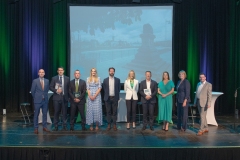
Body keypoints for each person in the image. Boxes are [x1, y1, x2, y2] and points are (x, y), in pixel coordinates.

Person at [50, 67, 70, 131]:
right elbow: (50, 87)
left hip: (65, 98)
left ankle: (64, 125)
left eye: (61, 70)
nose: (60, 71)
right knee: (56, 112)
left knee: (64, 113)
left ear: (63, 71)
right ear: (57, 71)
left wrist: (69, 97)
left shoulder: (67, 78)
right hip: (56, 97)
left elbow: (69, 88)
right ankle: (56, 126)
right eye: (59, 70)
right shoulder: (54, 78)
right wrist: (56, 90)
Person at [30, 69, 50, 134]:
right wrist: (36, 97)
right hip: (37, 101)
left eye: (42, 72)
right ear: (38, 73)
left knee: (45, 114)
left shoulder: (47, 81)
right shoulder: (35, 81)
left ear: (44, 73)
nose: (41, 73)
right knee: (36, 115)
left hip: (45, 100)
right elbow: (32, 91)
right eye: (40, 72)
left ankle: (45, 127)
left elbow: (46, 90)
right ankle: (36, 128)